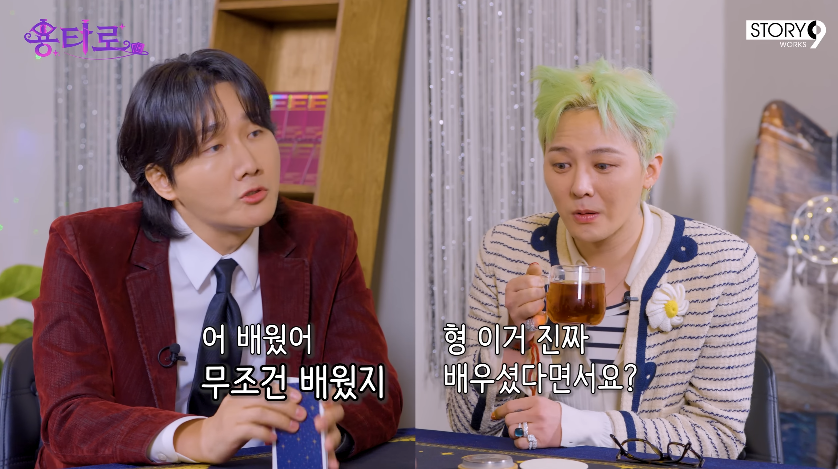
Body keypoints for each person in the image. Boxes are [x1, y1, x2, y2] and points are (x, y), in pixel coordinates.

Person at [32, 49, 401, 469]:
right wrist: (196, 436)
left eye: (256, 132)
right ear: (162, 180)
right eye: (214, 146)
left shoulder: (325, 238)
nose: (250, 164)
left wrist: (337, 426)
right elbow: (70, 417)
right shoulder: (86, 246)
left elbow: (375, 388)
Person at [447, 58, 758, 459]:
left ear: (650, 171)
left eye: (603, 165)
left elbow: (720, 438)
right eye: (561, 164)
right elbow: (466, 428)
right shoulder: (505, 248)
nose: (580, 186)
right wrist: (512, 343)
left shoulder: (722, 264)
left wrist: (578, 427)